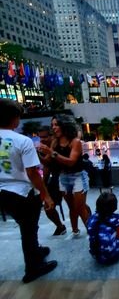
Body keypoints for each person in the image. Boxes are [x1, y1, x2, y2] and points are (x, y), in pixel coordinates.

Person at [0, 99, 57, 283]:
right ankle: (33, 268)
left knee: (27, 227)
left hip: (2, 192)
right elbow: (32, 172)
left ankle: (36, 251)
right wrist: (46, 195)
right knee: (29, 229)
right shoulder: (22, 141)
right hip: (20, 192)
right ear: (15, 119)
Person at [38, 115, 90, 238]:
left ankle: (91, 231)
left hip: (78, 176)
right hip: (63, 177)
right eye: (52, 125)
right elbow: (47, 162)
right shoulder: (55, 142)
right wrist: (37, 154)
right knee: (71, 207)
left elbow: (71, 161)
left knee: (80, 207)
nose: (54, 128)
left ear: (64, 125)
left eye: (56, 125)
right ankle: (75, 231)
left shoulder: (75, 142)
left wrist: (51, 152)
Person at [37, 125, 66, 236]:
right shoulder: (45, 148)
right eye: (40, 137)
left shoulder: (57, 145)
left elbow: (46, 161)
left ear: (51, 136)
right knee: (48, 207)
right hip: (55, 179)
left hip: (67, 176)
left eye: (44, 137)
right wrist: (43, 188)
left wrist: (37, 154)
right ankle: (60, 226)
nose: (42, 139)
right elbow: (46, 167)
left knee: (77, 205)